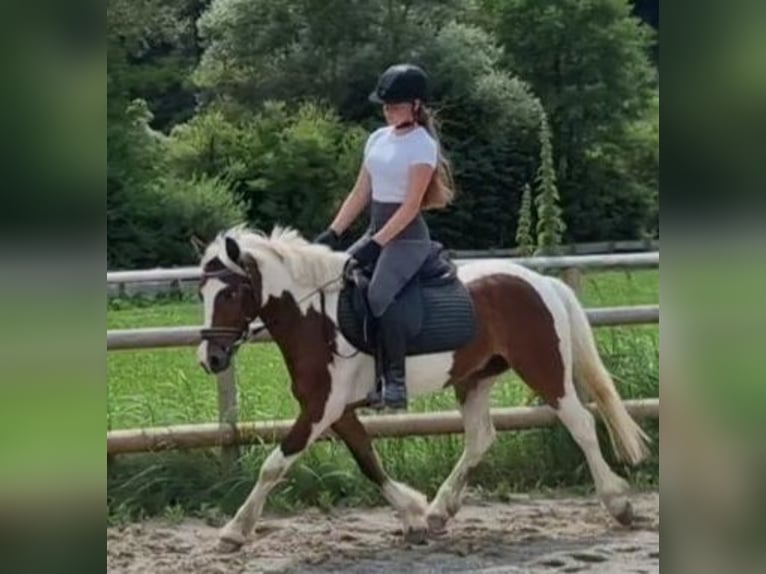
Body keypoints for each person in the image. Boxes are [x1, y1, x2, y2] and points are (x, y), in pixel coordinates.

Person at [314, 63, 455, 410]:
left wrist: (375, 245)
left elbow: (410, 208)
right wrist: (334, 232)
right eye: (385, 105)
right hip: (377, 230)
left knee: (378, 294)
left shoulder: (422, 145)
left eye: (396, 104)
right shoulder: (377, 138)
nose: (388, 110)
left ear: (417, 106)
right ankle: (361, 371)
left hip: (407, 238)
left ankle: (395, 382)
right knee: (340, 280)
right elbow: (360, 193)